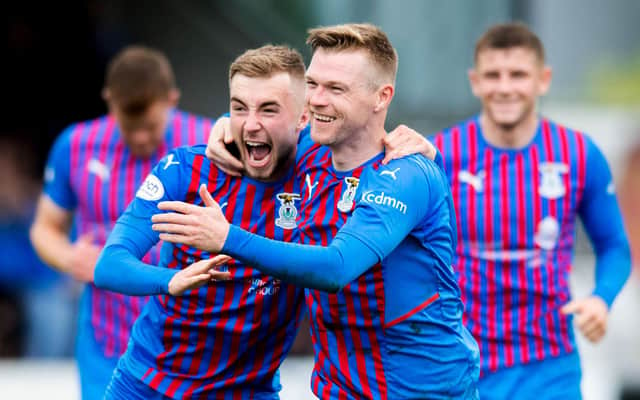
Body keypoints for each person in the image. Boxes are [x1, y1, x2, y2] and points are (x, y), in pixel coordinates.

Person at [155, 24, 479, 399]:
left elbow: (336, 267)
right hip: (337, 389)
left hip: (422, 391)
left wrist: (226, 237)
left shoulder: (405, 174)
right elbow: (263, 127)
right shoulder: (310, 151)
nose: (316, 101)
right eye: (313, 84)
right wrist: (228, 125)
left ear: (381, 97)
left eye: (336, 89)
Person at [94, 45, 430, 398]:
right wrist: (171, 280)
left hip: (250, 390)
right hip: (150, 385)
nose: (250, 124)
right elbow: (110, 265)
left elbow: (366, 143)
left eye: (268, 110)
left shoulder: (320, 171)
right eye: (239, 108)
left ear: (303, 118)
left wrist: (419, 148)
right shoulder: (186, 171)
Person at [429, 23, 631, 398]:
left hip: (548, 365)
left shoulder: (578, 154)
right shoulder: (441, 154)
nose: (505, 87)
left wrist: (601, 299)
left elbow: (615, 246)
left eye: (518, 74)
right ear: (475, 81)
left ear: (543, 79)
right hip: (461, 360)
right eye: (493, 75)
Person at [29, 45, 213, 399]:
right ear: (109, 101)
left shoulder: (207, 144)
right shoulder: (75, 146)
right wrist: (68, 258)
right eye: (131, 127)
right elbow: (44, 227)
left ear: (172, 100)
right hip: (106, 337)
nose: (141, 137)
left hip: (188, 337)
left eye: (151, 126)